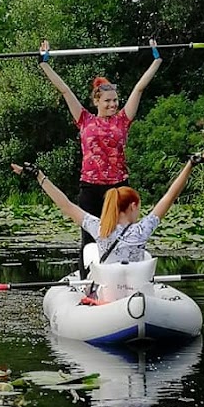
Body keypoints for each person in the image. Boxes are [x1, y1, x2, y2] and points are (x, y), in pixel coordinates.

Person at [38, 38, 163, 275]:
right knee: (89, 240)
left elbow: (139, 88)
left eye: (115, 100)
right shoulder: (84, 119)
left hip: (118, 188)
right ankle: (88, 283)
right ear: (96, 101)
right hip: (91, 188)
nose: (113, 104)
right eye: (107, 101)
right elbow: (64, 89)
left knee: (126, 235)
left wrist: (156, 60)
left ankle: (130, 277)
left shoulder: (123, 119)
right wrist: (44, 63)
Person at [11, 151, 204, 266]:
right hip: (135, 290)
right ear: (133, 206)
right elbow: (170, 196)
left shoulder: (99, 229)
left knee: (90, 250)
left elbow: (65, 205)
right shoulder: (142, 230)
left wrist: (39, 176)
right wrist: (190, 165)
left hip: (109, 292)